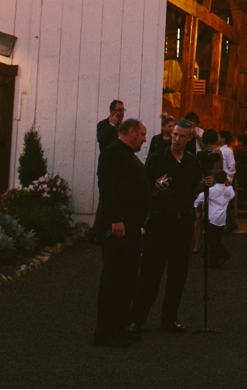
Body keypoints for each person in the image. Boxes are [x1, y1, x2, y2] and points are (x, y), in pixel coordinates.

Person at [132, 119, 213, 334]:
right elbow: (144, 188)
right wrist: (157, 188)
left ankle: (169, 318)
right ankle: (137, 319)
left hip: (183, 221)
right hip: (160, 220)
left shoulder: (191, 162)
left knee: (178, 274)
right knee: (150, 271)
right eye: (175, 134)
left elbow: (193, 187)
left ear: (189, 139)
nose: (176, 139)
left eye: (182, 136)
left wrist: (204, 184)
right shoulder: (157, 158)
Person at [93, 118, 149, 347]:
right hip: (119, 228)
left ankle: (120, 326)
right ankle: (105, 333)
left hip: (133, 227)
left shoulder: (127, 154)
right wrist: (116, 219)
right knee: (114, 280)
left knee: (128, 280)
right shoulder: (112, 153)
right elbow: (107, 186)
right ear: (132, 131)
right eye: (143, 134)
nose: (145, 139)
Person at [91, 100, 127, 240]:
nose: (121, 113)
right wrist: (111, 125)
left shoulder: (124, 126)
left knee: (117, 199)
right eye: (119, 110)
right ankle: (97, 233)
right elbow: (102, 139)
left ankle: (111, 230)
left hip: (121, 168)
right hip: (108, 168)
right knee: (105, 200)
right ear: (112, 111)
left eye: (123, 110)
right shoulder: (103, 125)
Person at [196, 170, 235, 267]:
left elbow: (200, 198)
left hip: (212, 217)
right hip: (221, 219)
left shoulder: (211, 191)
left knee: (211, 239)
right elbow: (232, 194)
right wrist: (228, 185)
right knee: (217, 237)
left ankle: (222, 254)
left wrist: (197, 206)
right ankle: (214, 260)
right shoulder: (227, 191)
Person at [218, 130, 238, 229]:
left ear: (223, 139)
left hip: (225, 180)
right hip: (219, 179)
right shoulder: (218, 150)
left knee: (224, 202)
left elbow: (231, 166)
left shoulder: (228, 151)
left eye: (219, 136)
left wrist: (229, 178)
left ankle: (231, 223)